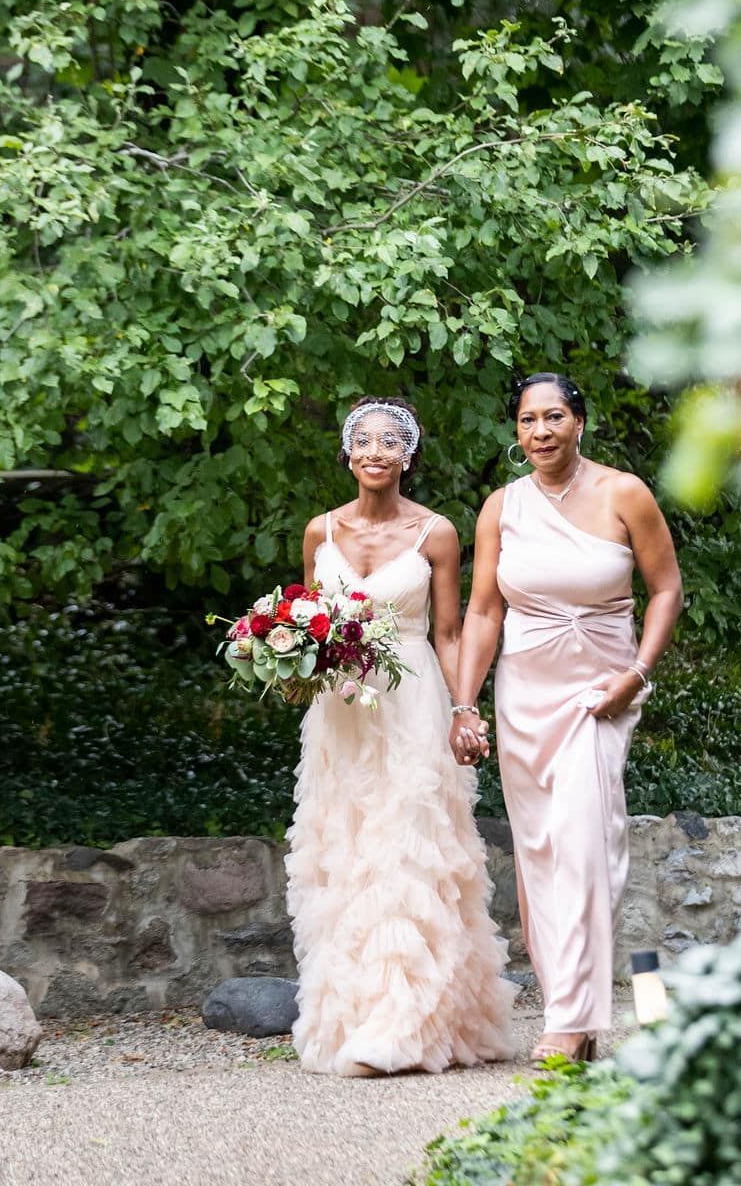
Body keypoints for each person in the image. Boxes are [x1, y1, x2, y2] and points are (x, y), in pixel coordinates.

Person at [452, 373, 683, 1062]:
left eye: (554, 416)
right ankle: (569, 1011)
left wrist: (637, 673)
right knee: (542, 854)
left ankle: (571, 1020)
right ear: (517, 431)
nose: (542, 431)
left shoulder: (624, 493)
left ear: (579, 421)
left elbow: (666, 588)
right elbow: (484, 611)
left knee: (586, 841)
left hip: (601, 690)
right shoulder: (501, 507)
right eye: (528, 420)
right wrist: (464, 704)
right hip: (524, 693)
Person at [286, 396, 516, 1077]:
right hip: (341, 713)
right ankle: (348, 1018)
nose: (377, 450)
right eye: (365, 440)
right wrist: (290, 667)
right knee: (346, 851)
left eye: (392, 441)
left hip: (411, 698)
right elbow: (308, 625)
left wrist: (465, 708)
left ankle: (405, 1023)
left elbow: (449, 632)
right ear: (348, 453)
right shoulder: (318, 533)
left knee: (406, 853)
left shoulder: (436, 533)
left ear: (409, 456)